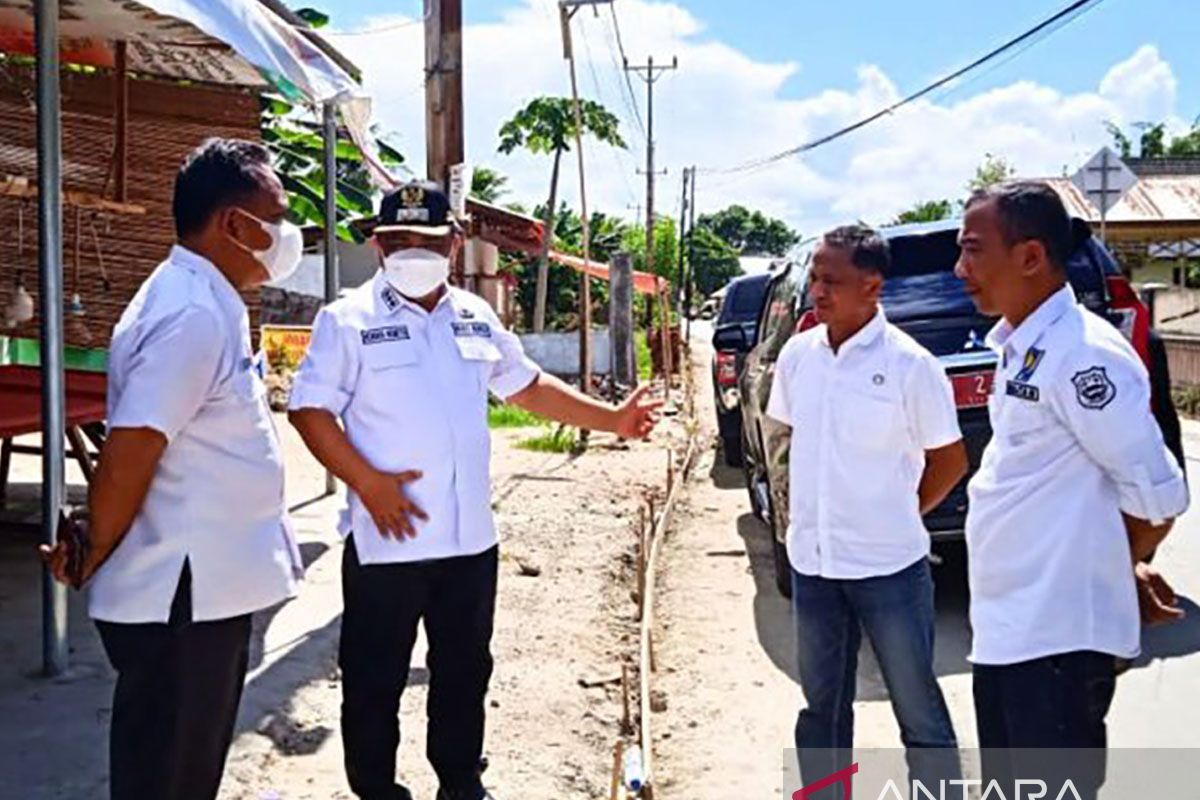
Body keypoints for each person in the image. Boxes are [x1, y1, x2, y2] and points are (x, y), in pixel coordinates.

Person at [287, 180, 662, 800]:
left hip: (468, 542)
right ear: (378, 244)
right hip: (388, 541)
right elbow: (310, 412)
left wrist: (612, 419)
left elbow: (527, 386)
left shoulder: (473, 314)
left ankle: (461, 783)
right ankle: (376, 789)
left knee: (464, 672)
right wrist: (367, 483)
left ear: (454, 244)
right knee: (374, 678)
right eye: (400, 240)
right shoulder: (346, 320)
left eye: (428, 240)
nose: (413, 252)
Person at [40, 138, 306, 800]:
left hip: (202, 589)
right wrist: (92, 546)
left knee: (181, 767)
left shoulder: (204, 298)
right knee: (168, 775)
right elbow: (132, 449)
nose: (285, 234)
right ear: (232, 224)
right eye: (274, 216)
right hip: (182, 595)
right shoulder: (188, 312)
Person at [955, 182, 1190, 798]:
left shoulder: (1082, 354)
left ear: (1031, 257)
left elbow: (1155, 491)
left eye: (974, 251)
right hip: (1011, 632)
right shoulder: (1022, 345)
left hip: (1055, 642)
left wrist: (1117, 565)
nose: (961, 270)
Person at [766, 225, 966, 797]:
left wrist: (904, 513)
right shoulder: (799, 356)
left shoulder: (910, 365)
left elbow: (949, 460)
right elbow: (791, 439)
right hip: (814, 565)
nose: (817, 291)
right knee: (822, 710)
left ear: (872, 285)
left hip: (890, 570)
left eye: (831, 280)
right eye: (814, 278)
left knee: (918, 709)